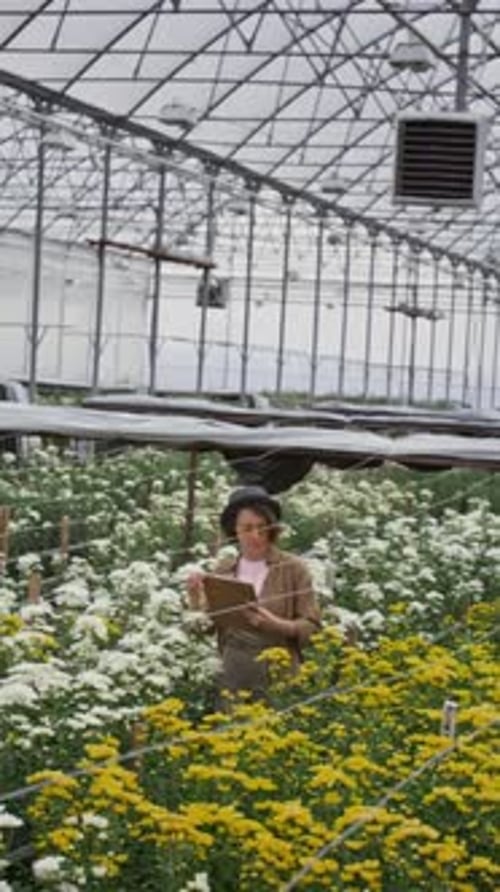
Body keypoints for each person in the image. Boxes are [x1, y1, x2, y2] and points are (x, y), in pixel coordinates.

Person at [187, 485, 321, 700]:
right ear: (235, 530)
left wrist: (276, 625)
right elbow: (206, 629)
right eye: (247, 528)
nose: (256, 535)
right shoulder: (223, 570)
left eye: (262, 527)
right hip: (234, 676)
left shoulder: (293, 568)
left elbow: (313, 628)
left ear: (272, 528)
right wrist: (195, 598)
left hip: (279, 675)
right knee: (232, 731)